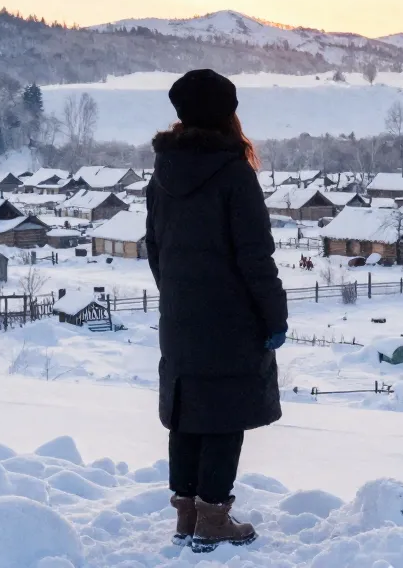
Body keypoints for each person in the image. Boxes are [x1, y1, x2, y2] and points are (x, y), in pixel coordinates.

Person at [145, 69, 288, 553]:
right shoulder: (233, 174)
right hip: (231, 320)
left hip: (180, 317)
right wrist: (273, 317)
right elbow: (256, 257)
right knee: (224, 416)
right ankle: (213, 519)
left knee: (187, 413)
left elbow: (155, 249)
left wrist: (178, 297)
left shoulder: (163, 173)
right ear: (228, 114)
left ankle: (186, 514)